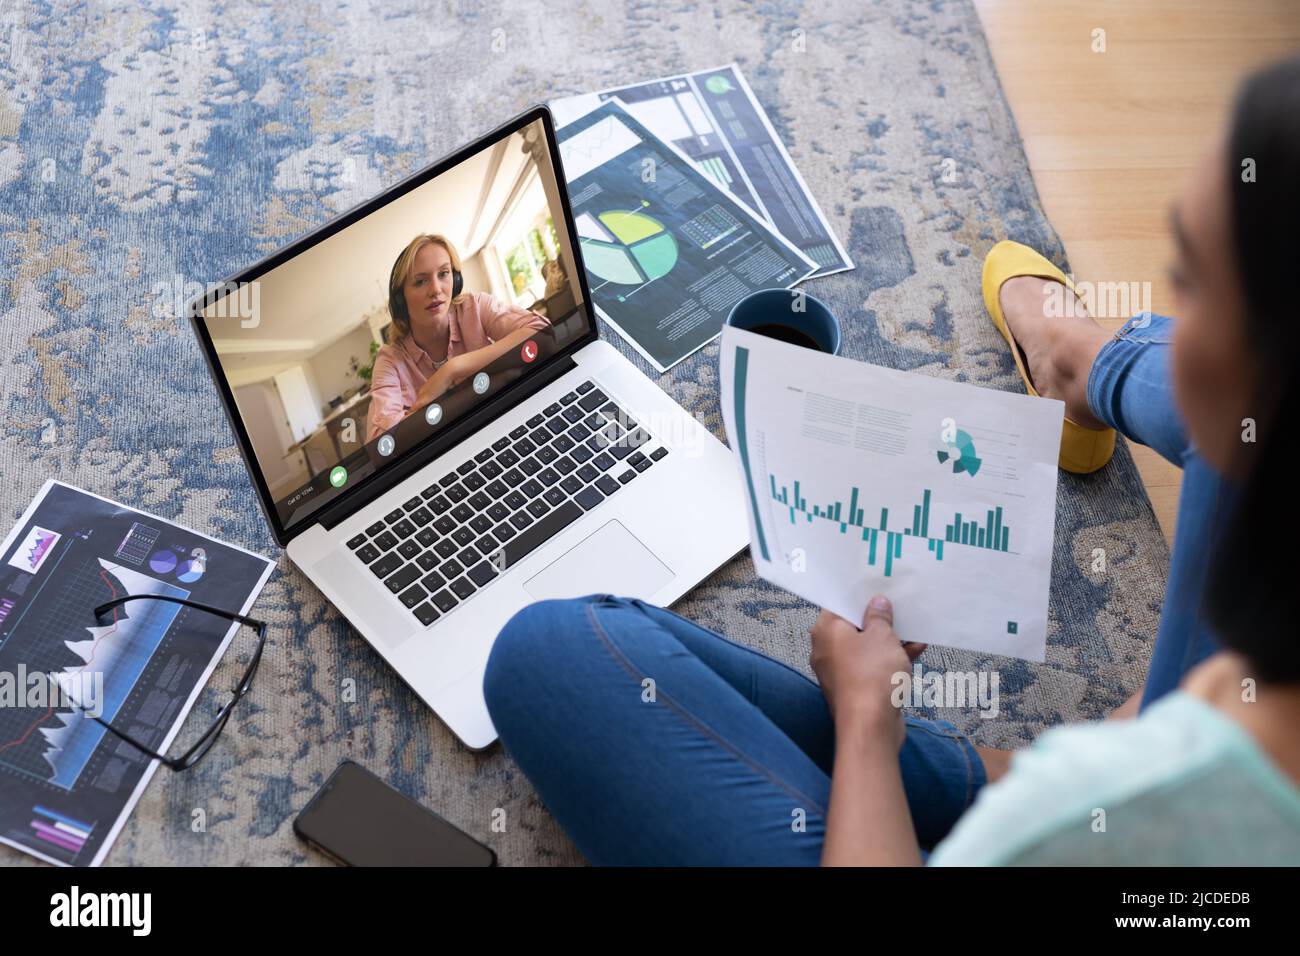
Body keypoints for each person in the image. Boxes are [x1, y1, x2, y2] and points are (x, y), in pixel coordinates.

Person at [480, 55, 1300, 865]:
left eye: (1186, 284)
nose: (1168, 320)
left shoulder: (1075, 828)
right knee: (1244, 432)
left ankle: (1085, 366)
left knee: (545, 655)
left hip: (1068, 814)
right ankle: (1080, 363)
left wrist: (867, 719)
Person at [366, 234, 550, 442]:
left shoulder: (475, 307)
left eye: (444, 273)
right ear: (401, 299)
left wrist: (452, 370)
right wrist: (491, 383)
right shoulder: (390, 362)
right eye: (420, 281)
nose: (436, 289)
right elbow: (383, 446)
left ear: (456, 279)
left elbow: (543, 336)